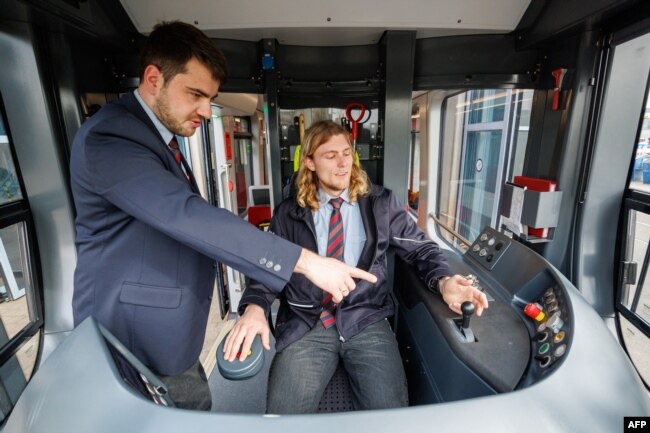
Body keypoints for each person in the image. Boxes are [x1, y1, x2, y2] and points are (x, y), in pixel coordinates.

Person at [69, 22, 375, 411]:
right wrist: (306, 263)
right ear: (152, 79)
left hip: (168, 336)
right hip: (131, 340)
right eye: (195, 94)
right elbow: (187, 216)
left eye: (210, 98)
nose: (205, 111)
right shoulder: (111, 138)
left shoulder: (157, 140)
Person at [224, 120, 489, 413]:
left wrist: (443, 281)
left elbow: (422, 248)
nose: (343, 164)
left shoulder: (381, 204)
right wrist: (255, 308)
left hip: (366, 319)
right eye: (330, 155)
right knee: (284, 419)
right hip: (307, 322)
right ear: (309, 162)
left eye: (347, 153)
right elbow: (269, 268)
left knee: (388, 419)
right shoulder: (288, 214)